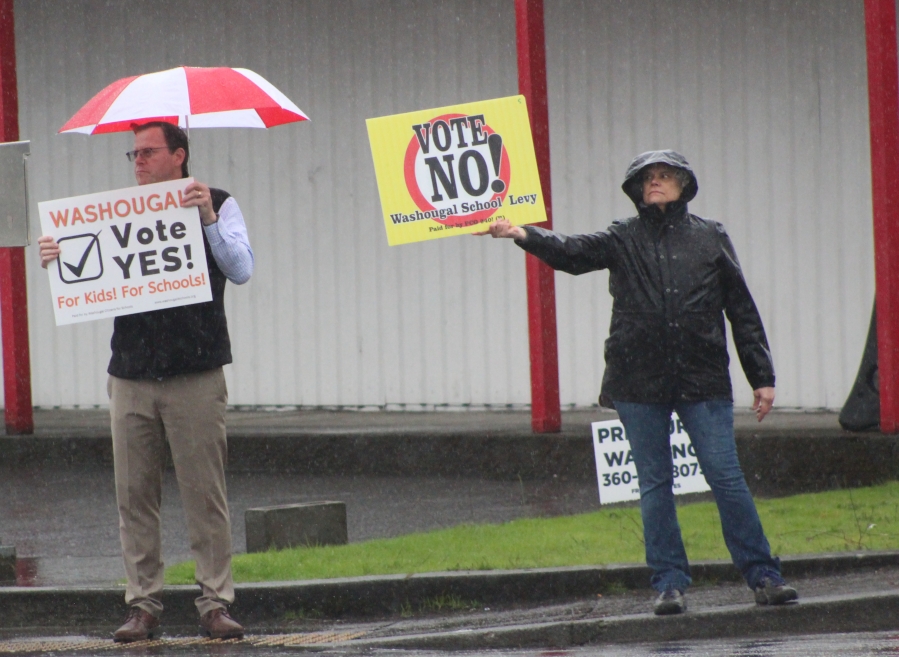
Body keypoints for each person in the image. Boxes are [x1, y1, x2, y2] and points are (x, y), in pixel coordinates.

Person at [476, 150, 797, 615]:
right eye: (647, 178)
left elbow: (741, 308)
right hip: (637, 381)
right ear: (636, 189)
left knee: (726, 479)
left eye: (665, 176)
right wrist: (521, 233)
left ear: (684, 185)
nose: (655, 183)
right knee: (655, 484)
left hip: (703, 380)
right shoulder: (621, 237)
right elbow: (571, 252)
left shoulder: (711, 237)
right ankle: (669, 583)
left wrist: (761, 376)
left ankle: (764, 575)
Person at [38, 121, 253, 641]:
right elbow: (89, 280)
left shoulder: (219, 203)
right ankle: (142, 605)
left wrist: (205, 219)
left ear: (179, 155)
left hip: (196, 371)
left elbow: (241, 267)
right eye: (132, 154)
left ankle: (215, 603)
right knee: (134, 495)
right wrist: (58, 258)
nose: (138, 162)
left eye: (148, 152)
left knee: (205, 494)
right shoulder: (116, 214)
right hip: (131, 373)